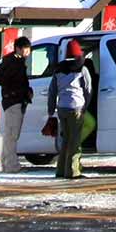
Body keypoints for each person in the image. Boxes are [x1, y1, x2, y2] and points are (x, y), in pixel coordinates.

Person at [47, 39, 92, 180]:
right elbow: (88, 90)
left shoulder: (58, 70)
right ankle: (73, 172)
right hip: (76, 108)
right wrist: (86, 106)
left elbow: (52, 91)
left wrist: (50, 110)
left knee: (65, 140)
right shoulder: (82, 69)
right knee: (75, 141)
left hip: (62, 108)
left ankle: (60, 171)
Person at [0, 35, 34, 174]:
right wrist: (17, 91)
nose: (27, 52)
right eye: (25, 49)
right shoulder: (13, 62)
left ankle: (6, 162)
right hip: (13, 101)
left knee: (12, 134)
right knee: (11, 134)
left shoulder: (14, 61)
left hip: (16, 100)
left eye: (28, 49)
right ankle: (10, 164)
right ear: (18, 49)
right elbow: (2, 78)